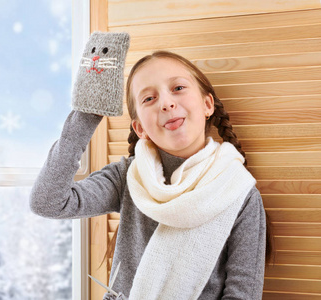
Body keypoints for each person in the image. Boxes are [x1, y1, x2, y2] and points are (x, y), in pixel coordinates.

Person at [30, 50, 271, 299]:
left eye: (177, 88)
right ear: (140, 128)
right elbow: (47, 202)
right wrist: (87, 113)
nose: (166, 103)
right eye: (149, 99)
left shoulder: (239, 193)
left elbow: (242, 294)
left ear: (207, 105)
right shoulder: (127, 177)